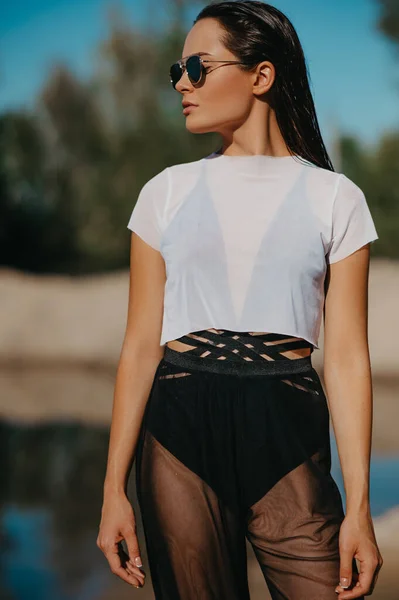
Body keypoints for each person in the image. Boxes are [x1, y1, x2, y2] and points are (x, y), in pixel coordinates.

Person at [97, 2, 384, 598]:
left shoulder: (337, 198)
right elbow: (139, 348)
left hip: (287, 430)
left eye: (196, 68)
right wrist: (112, 490)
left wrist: (360, 507)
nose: (180, 82)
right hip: (178, 431)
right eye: (175, 69)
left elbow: (350, 359)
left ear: (261, 76)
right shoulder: (165, 193)